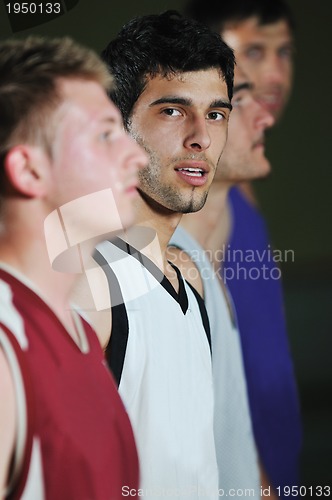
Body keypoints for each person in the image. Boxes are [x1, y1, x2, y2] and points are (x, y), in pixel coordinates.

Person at [86, 10, 234, 499]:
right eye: (172, 111)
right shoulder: (87, 283)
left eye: (216, 113)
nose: (201, 137)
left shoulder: (188, 278)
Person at [0, 35, 147, 499]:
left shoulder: (79, 331)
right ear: (29, 171)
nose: (137, 156)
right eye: (105, 134)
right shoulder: (5, 349)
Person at [183, 0, 303, 495]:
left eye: (285, 52)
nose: (274, 74)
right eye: (253, 53)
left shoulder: (239, 187)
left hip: (274, 456)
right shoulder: (162, 215)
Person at [169, 66, 274, 497]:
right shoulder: (168, 270)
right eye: (234, 104)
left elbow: (236, 456)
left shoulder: (211, 257)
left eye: (221, 109)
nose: (264, 117)